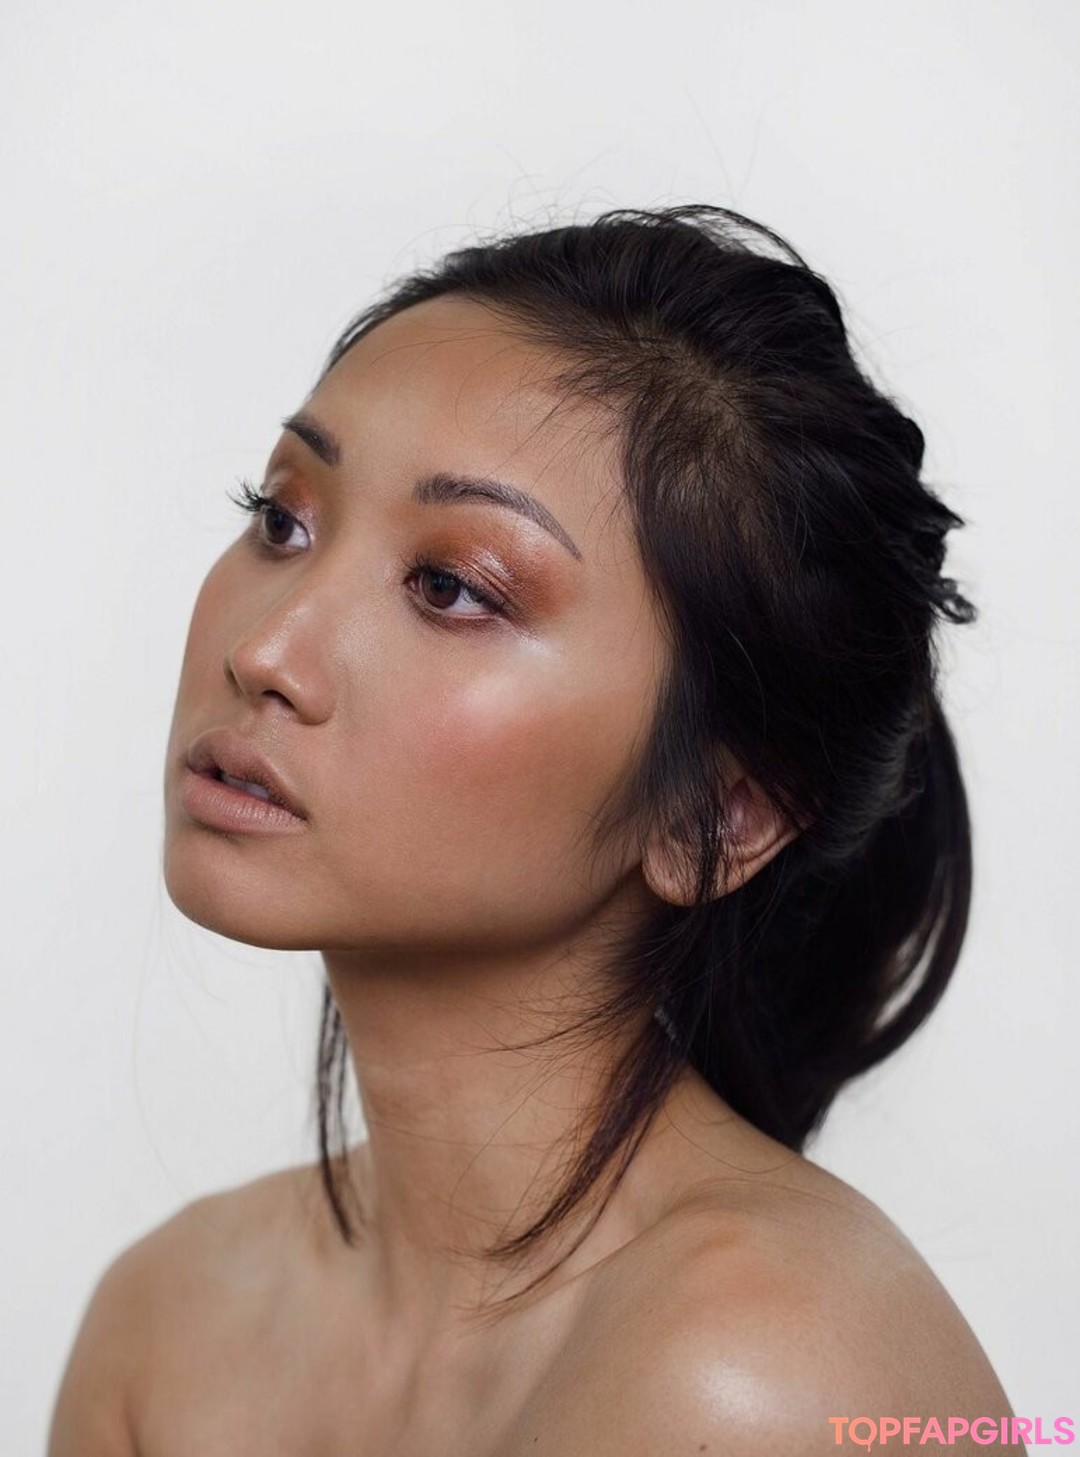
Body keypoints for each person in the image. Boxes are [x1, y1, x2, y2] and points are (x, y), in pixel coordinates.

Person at [49, 205, 1019, 1455]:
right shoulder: (167, 1326)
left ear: (716, 810)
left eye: (452, 587)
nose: (264, 649)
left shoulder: (781, 1379)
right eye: (282, 518)